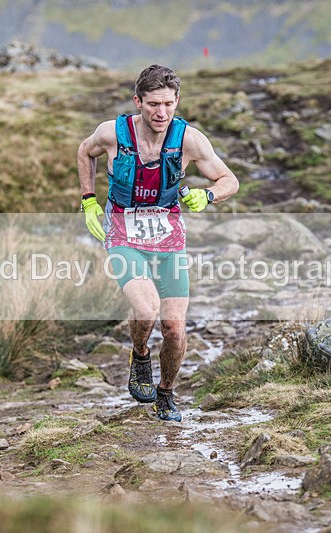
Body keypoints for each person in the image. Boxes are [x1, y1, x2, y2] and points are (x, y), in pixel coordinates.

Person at [77, 64, 239, 422]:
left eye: (168, 103)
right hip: (123, 232)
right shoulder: (112, 134)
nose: (161, 112)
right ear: (138, 101)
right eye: (152, 104)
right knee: (147, 310)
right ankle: (139, 355)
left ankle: (166, 391)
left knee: (174, 327)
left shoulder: (189, 140)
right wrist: (89, 200)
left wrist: (209, 195)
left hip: (168, 236)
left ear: (177, 100)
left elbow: (230, 179)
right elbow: (84, 151)